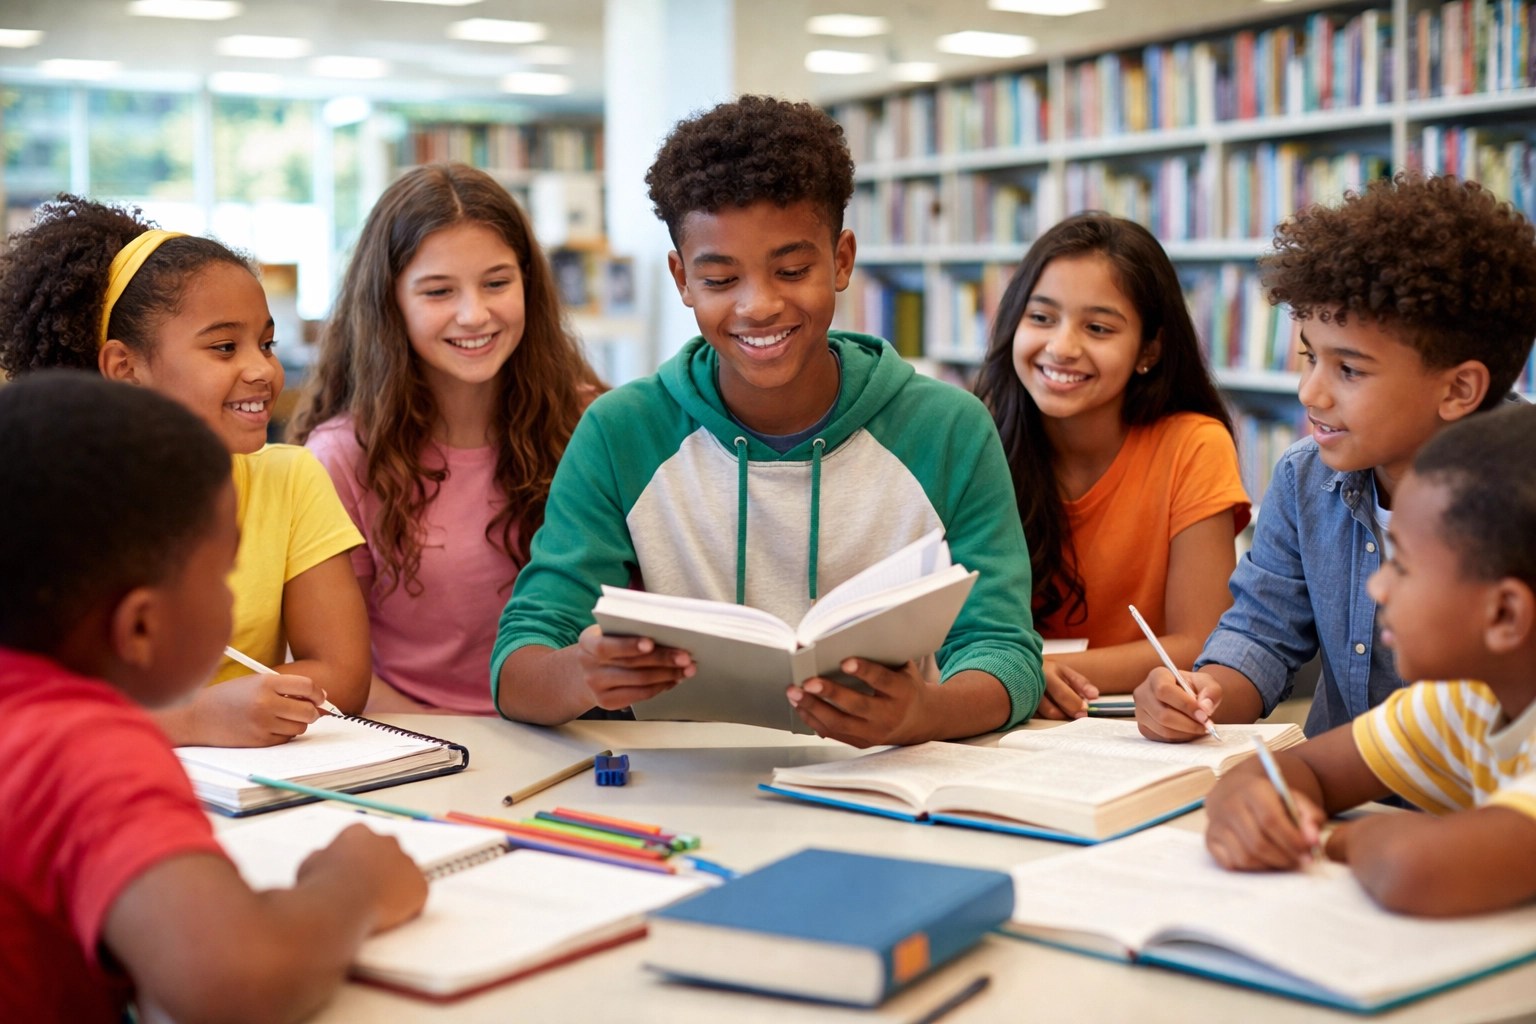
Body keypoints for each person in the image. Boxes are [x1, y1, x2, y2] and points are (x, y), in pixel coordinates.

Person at [491, 95, 1042, 745]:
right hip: (682, 784)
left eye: (791, 270)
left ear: (840, 260)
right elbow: (519, 661)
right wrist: (582, 674)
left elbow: (1005, 648)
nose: (758, 306)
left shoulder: (949, 428)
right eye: (721, 279)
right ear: (682, 279)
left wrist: (925, 713)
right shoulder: (621, 431)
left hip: (883, 779)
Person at [0, 372, 427, 1021]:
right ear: (141, 626)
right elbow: (236, 980)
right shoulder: (87, 750)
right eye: (223, 571)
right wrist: (356, 886)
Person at [1135, 174, 1536, 742]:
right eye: (1308, 358)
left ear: (1458, 390)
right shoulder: (1304, 476)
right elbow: (1262, 633)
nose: (1311, 394)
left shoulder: (1525, 495)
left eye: (1349, 370)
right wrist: (1203, 694)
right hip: (1346, 787)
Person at [0, 196, 371, 746]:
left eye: (266, 343)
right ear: (124, 368)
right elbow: (25, 704)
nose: (263, 369)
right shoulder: (55, 503)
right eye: (225, 347)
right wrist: (194, 718)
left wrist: (244, 709)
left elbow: (343, 674)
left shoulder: (293, 478)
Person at [292, 164, 603, 714]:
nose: (474, 314)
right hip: (423, 745)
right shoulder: (341, 457)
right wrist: (458, 748)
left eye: (497, 283)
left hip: (581, 732)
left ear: (528, 283)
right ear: (390, 303)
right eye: (438, 291)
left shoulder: (592, 422)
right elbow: (339, 669)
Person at [1203, 403, 1536, 916]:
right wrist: (1246, 805)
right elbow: (1289, 770)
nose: (1377, 585)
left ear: (1505, 615)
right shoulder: (1463, 701)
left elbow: (1412, 870)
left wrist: (1330, 842)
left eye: (1402, 564)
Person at [975, 213, 1249, 719]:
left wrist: (1022, 667)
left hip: (1131, 723)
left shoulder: (1193, 446)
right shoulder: (977, 439)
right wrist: (1017, 675)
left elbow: (1199, 642)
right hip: (1003, 715)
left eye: (1098, 328)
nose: (1061, 347)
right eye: (1041, 318)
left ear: (1148, 350)